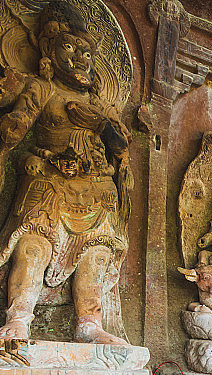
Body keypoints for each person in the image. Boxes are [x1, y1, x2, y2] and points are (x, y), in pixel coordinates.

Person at [0, 1, 132, 344]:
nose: (79, 58)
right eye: (69, 48)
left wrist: (103, 123)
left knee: (98, 252)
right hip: (48, 179)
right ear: (48, 50)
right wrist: (21, 144)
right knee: (33, 245)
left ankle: (89, 324)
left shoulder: (99, 103)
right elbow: (16, 134)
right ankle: (19, 319)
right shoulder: (41, 89)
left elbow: (121, 149)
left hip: (96, 187)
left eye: (86, 53)